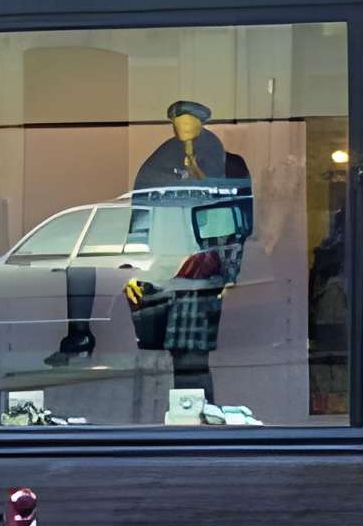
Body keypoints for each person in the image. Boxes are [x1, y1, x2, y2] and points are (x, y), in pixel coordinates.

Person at [48, 101, 236, 366]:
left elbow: (215, 202)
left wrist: (225, 270)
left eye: (188, 122)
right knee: (82, 268)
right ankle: (79, 335)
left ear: (199, 123)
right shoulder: (164, 156)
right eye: (178, 123)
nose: (182, 128)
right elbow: (143, 204)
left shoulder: (212, 150)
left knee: (189, 356)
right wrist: (136, 259)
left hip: (191, 254)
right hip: (162, 246)